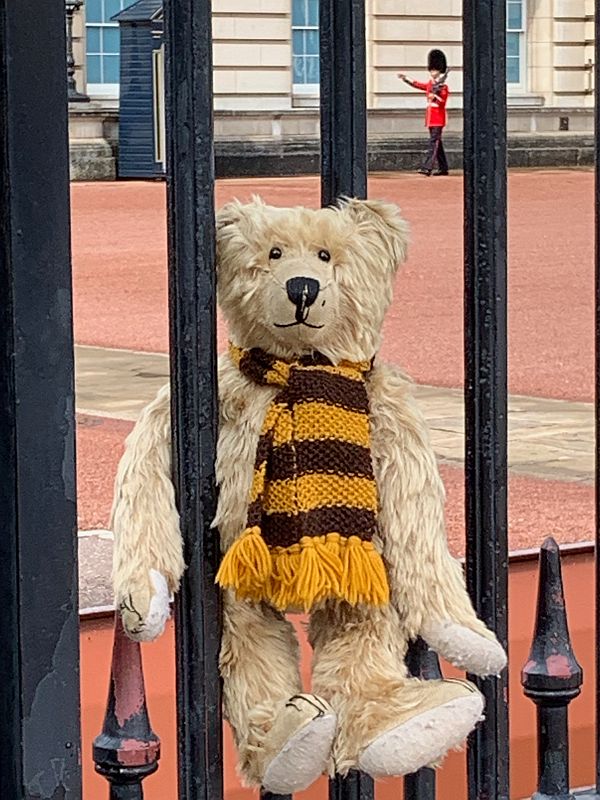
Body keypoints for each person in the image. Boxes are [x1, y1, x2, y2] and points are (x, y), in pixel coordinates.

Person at [398, 49, 449, 176]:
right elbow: (417, 85)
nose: (433, 72)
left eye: (435, 70)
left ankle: (427, 167)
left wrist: (435, 96)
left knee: (433, 142)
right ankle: (444, 168)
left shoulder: (443, 87)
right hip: (431, 117)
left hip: (438, 118)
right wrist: (406, 79)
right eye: (431, 70)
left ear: (440, 71)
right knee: (437, 142)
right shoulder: (430, 85)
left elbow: (443, 102)